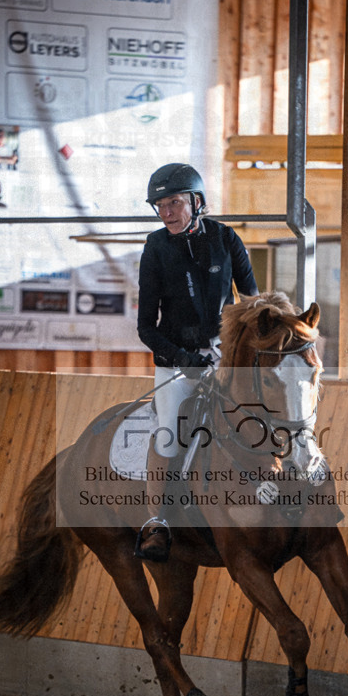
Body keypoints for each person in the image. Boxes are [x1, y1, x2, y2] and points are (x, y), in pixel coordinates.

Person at [135, 162, 258, 561]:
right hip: (177, 362)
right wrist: (184, 358)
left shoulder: (225, 238)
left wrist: (240, 349)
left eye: (174, 203)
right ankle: (157, 523)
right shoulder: (155, 248)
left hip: (224, 357)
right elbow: (145, 327)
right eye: (160, 205)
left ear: (196, 201)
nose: (167, 212)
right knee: (170, 431)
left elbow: (253, 303)